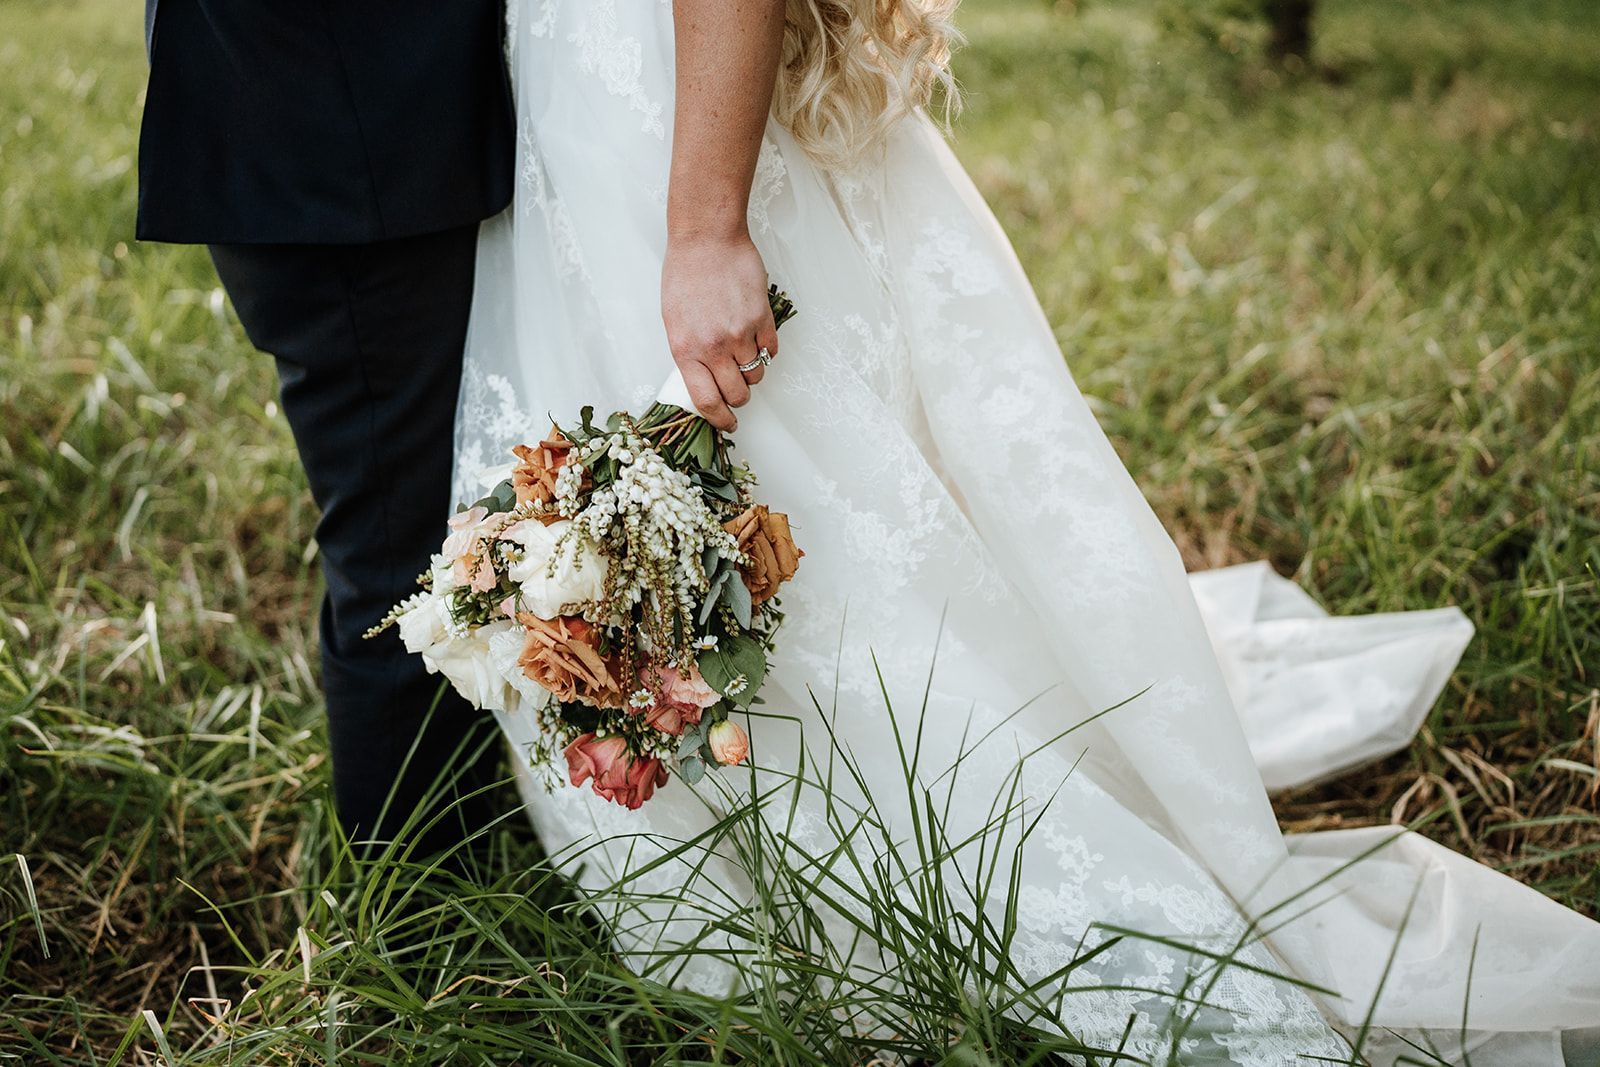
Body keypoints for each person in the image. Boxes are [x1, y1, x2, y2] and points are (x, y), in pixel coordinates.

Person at [463, 0, 1600, 1062]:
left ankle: (929, 835)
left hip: (673, 123)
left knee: (810, 512)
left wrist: (705, 224)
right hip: (584, 107)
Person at [135, 0, 517, 855]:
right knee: (396, 553)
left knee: (415, 518)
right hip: (341, 142)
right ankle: (424, 912)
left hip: (335, 123)